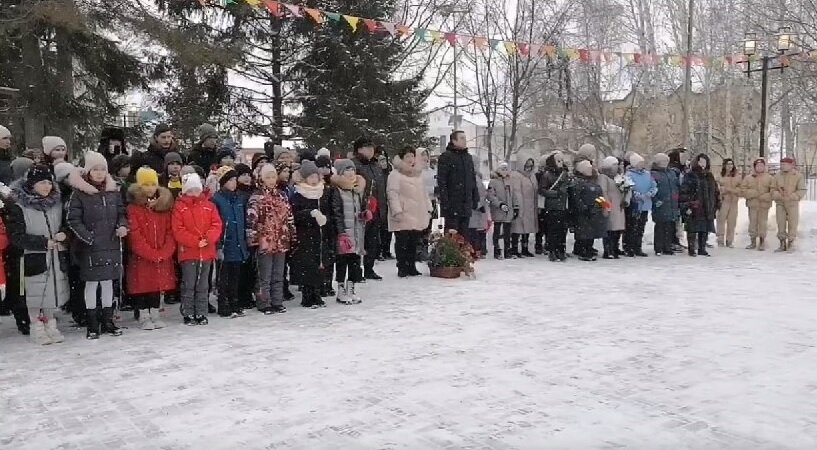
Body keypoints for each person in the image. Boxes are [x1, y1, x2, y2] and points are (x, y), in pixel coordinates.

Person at [66, 151, 128, 339]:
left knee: (108, 284)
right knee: (92, 285)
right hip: (90, 247)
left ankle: (108, 320)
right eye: (95, 169)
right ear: (88, 171)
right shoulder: (79, 194)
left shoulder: (113, 192)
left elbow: (121, 213)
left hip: (110, 244)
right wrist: (88, 237)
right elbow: (73, 219)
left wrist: (122, 226)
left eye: (103, 169)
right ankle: (92, 323)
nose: (100, 173)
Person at [7, 165, 71, 345]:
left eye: (49, 183)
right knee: (34, 294)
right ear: (32, 184)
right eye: (42, 183)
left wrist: (63, 235)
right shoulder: (19, 206)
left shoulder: (56, 204)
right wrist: (42, 242)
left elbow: (66, 225)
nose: (46, 187)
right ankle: (36, 326)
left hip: (55, 256)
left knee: (52, 292)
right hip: (33, 257)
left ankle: (51, 323)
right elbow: (17, 236)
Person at [125, 168, 176, 330]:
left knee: (157, 285)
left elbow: (170, 232)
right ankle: (143, 314)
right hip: (142, 256)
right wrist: (150, 253)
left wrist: (165, 252)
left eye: (152, 184)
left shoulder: (163, 208)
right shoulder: (134, 208)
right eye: (145, 184)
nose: (149, 188)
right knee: (142, 285)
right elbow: (135, 235)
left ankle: (155, 312)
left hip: (161, 254)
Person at [172, 173, 223, 325]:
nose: (194, 193)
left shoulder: (209, 206)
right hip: (188, 252)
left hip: (206, 252)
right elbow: (178, 230)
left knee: (203, 284)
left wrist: (208, 239)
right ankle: (188, 311)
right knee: (189, 283)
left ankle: (201, 312)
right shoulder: (180, 207)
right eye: (190, 190)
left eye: (196, 190)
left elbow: (216, 224)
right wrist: (194, 241)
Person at [247, 163, 296, 313]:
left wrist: (292, 235)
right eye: (267, 177)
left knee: (278, 273)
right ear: (261, 178)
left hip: (281, 240)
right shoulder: (256, 197)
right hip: (264, 241)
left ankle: (277, 301)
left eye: (273, 176)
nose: (271, 179)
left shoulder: (282, 195)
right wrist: (253, 239)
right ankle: (264, 302)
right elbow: (251, 220)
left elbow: (289, 217)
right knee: (264, 275)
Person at [211, 166, 250, 318]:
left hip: (238, 243)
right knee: (223, 276)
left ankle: (235, 302)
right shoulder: (217, 199)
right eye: (230, 180)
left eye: (235, 179)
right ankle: (223, 303)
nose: (234, 183)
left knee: (235, 276)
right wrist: (219, 244)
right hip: (225, 243)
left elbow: (242, 220)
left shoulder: (239, 198)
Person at [387, 147, 432, 278]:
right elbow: (392, 194)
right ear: (401, 158)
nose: (411, 159)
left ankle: (411, 265)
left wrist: (428, 208)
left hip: (416, 212)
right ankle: (402, 266)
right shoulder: (395, 174)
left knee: (413, 241)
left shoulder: (418, 174)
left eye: (412, 156)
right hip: (403, 212)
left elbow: (424, 193)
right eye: (407, 156)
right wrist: (397, 211)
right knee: (402, 242)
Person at [289, 161, 328, 308]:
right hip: (305, 235)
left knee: (319, 264)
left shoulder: (322, 193)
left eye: (315, 176)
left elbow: (328, 210)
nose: (313, 179)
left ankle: (317, 293)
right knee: (307, 266)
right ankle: (307, 295)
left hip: (320, 234)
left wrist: (325, 219)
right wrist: (310, 214)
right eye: (310, 177)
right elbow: (295, 215)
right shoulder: (298, 194)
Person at [329, 159, 367, 304]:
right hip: (344, 233)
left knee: (355, 262)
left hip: (357, 233)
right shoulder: (337, 190)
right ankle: (340, 289)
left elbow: (358, 210)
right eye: (347, 170)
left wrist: (363, 215)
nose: (351, 173)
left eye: (352, 170)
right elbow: (336, 213)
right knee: (342, 262)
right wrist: (341, 233)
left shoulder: (356, 190)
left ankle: (351, 287)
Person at [351, 137, 386, 281]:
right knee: (359, 241)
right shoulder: (354, 165)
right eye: (367, 147)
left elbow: (381, 189)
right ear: (359, 149)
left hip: (376, 209)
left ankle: (369, 268)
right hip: (361, 209)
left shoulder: (376, 166)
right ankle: (356, 270)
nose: (371, 150)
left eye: (372, 147)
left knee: (372, 242)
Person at [437, 130, 479, 237]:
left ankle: (463, 253)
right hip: (452, 205)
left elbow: (472, 179)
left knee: (464, 237)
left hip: (466, 205)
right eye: (462, 138)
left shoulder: (468, 158)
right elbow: (442, 181)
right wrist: (445, 202)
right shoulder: (446, 157)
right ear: (454, 141)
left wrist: (475, 197)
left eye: (465, 138)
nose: (465, 141)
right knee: (452, 238)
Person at [680, 153, 720, 257]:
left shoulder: (709, 176)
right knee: (692, 228)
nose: (702, 164)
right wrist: (689, 203)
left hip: (707, 206)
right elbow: (685, 190)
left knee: (705, 228)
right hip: (695, 205)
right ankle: (692, 248)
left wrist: (716, 202)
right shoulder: (690, 175)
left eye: (704, 162)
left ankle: (702, 248)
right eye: (700, 161)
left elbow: (715, 191)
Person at [571, 160, 607, 262]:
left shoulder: (593, 182)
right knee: (584, 232)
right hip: (584, 212)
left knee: (591, 232)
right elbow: (576, 198)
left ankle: (589, 248)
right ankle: (583, 251)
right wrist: (583, 208)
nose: (590, 170)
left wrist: (602, 205)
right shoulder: (578, 182)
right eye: (588, 169)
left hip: (594, 211)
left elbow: (600, 195)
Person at [538, 151, 571, 262]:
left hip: (563, 206)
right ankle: (552, 250)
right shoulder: (547, 175)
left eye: (562, 160)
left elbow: (568, 188)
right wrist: (556, 194)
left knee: (562, 230)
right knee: (552, 230)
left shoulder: (565, 174)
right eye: (558, 161)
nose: (560, 163)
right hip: (552, 207)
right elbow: (542, 190)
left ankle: (561, 250)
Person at [624, 153, 656, 257]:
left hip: (645, 204)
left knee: (641, 227)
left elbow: (654, 185)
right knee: (632, 227)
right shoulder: (629, 174)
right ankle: (629, 247)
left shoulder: (647, 174)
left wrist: (650, 193)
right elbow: (629, 187)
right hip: (635, 204)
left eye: (642, 162)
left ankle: (638, 247)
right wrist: (638, 195)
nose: (642, 164)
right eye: (639, 162)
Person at [771, 156, 806, 252]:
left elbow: (802, 190)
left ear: (791, 165)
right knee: (780, 223)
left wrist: (793, 196)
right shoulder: (777, 176)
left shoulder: (798, 176)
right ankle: (782, 243)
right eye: (781, 164)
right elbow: (772, 188)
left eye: (785, 164)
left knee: (792, 223)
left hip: (792, 203)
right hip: (780, 203)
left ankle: (791, 242)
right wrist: (777, 194)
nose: (783, 166)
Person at [598, 156, 630, 259]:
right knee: (609, 229)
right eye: (614, 165)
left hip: (619, 205)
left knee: (617, 229)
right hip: (610, 205)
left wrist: (626, 198)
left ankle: (615, 248)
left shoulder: (619, 176)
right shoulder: (603, 177)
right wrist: (606, 206)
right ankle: (608, 250)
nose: (617, 167)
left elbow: (626, 188)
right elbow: (603, 192)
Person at [650, 153, 680, 256]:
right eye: (663, 161)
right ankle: (658, 247)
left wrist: (677, 197)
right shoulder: (654, 174)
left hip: (672, 203)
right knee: (660, 226)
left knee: (670, 226)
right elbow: (651, 188)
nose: (665, 163)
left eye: (666, 161)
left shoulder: (672, 173)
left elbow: (676, 186)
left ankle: (667, 246)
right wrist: (656, 200)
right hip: (661, 203)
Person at [740, 158, 774, 250]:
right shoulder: (748, 178)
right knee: (752, 223)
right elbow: (742, 190)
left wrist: (766, 196)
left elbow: (773, 190)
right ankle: (753, 241)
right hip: (753, 204)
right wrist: (753, 193)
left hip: (764, 205)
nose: (760, 167)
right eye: (758, 166)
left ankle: (762, 241)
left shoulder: (769, 178)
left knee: (762, 223)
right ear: (754, 167)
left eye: (761, 166)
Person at [510, 158, 539, 258]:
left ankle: (525, 248)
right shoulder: (516, 176)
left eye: (531, 166)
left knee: (527, 229)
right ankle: (514, 249)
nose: (528, 168)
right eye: (527, 165)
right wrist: (518, 206)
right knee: (517, 228)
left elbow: (535, 192)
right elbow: (516, 192)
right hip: (521, 206)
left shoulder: (532, 176)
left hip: (530, 206)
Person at [487, 162, 516, 259]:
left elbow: (514, 195)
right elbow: (491, 196)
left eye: (506, 169)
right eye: (502, 169)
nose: (504, 171)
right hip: (498, 210)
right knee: (497, 232)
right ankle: (497, 251)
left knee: (507, 232)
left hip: (509, 210)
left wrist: (516, 206)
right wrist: (499, 204)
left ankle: (507, 250)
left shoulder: (510, 181)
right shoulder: (493, 181)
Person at [716, 158, 742, 248]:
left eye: (731, 164)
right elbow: (717, 188)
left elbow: (741, 189)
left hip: (734, 201)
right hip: (723, 201)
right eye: (728, 164)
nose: (730, 166)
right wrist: (722, 190)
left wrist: (731, 190)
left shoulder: (737, 177)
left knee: (732, 222)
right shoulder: (720, 176)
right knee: (721, 221)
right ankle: (720, 239)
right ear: (724, 166)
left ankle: (730, 240)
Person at [468, 155, 489, 258]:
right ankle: (473, 251)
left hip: (479, 207)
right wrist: (479, 204)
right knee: (473, 231)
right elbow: (474, 194)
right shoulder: (472, 177)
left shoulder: (477, 177)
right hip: (474, 207)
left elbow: (482, 193)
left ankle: (477, 250)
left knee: (478, 230)